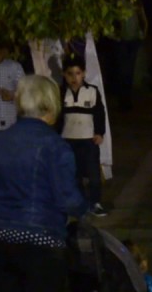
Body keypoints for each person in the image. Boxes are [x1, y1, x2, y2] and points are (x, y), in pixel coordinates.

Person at [0, 75, 89, 291]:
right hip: (42, 239)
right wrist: (85, 207)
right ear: (51, 105)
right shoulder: (56, 146)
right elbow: (68, 200)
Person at [61, 56, 107, 217]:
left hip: (88, 140)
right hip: (68, 140)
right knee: (74, 174)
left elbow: (100, 113)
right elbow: (58, 116)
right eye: (70, 74)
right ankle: (80, 204)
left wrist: (99, 132)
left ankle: (95, 203)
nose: (74, 78)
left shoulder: (92, 91)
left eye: (78, 73)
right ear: (64, 75)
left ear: (84, 73)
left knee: (93, 175)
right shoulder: (61, 93)